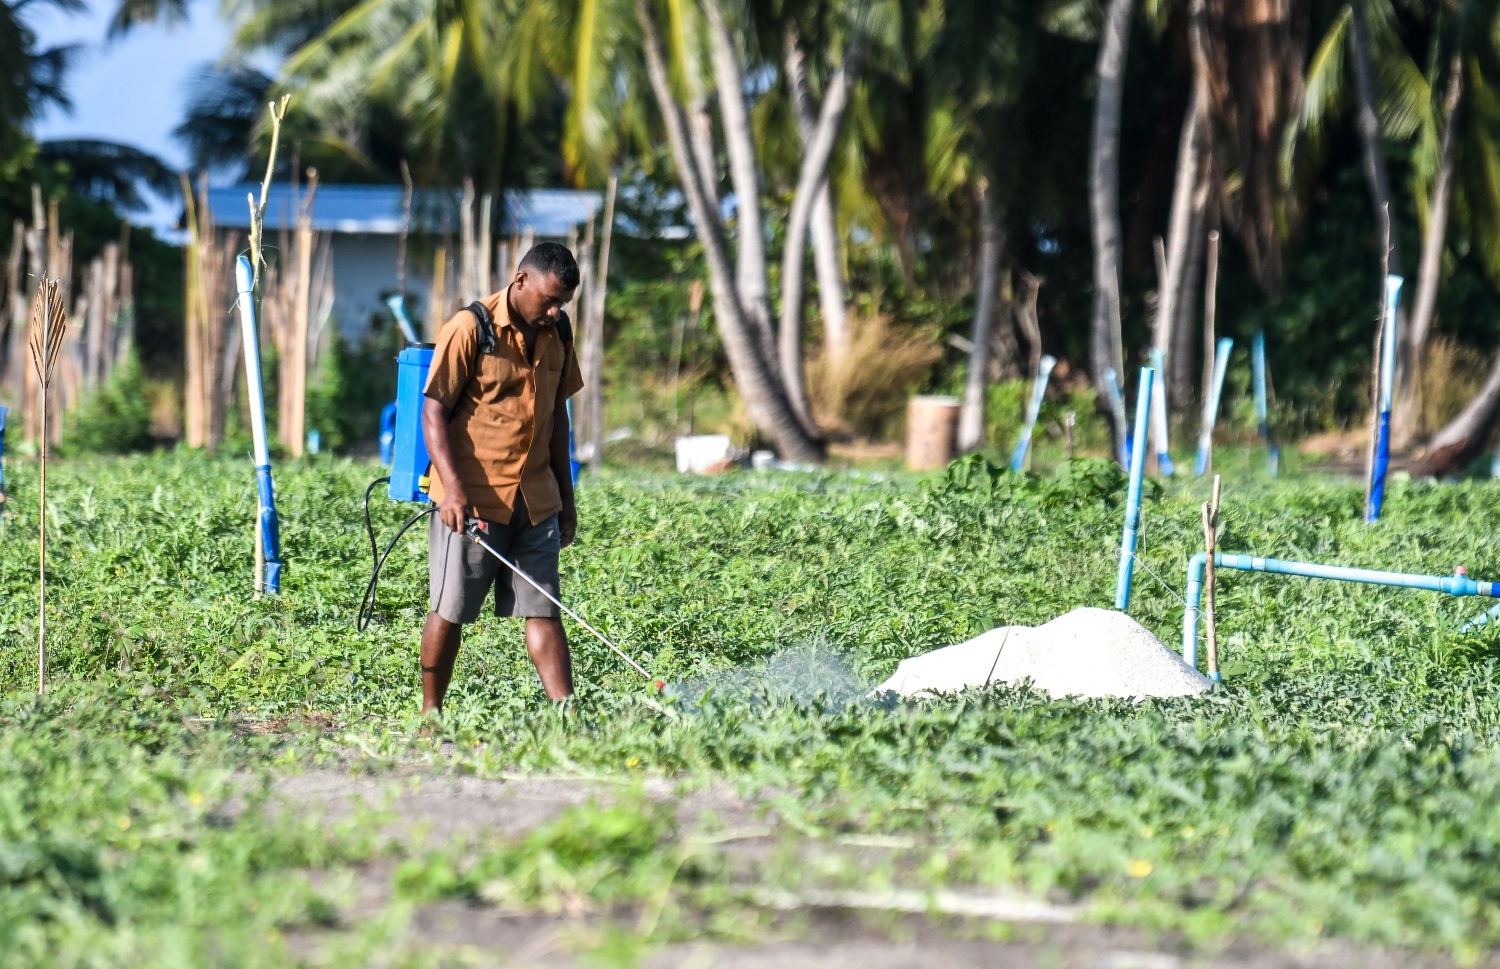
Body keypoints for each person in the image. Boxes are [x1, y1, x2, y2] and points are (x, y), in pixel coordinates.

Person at [419, 242, 583, 713]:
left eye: (563, 304)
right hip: (472, 502)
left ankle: (567, 717)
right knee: (450, 611)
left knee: (544, 608)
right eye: (549, 300)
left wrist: (566, 501)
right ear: (521, 281)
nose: (554, 311)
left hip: (535, 500)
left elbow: (558, 419)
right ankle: (432, 715)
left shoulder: (559, 332)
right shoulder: (471, 328)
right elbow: (433, 414)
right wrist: (451, 491)